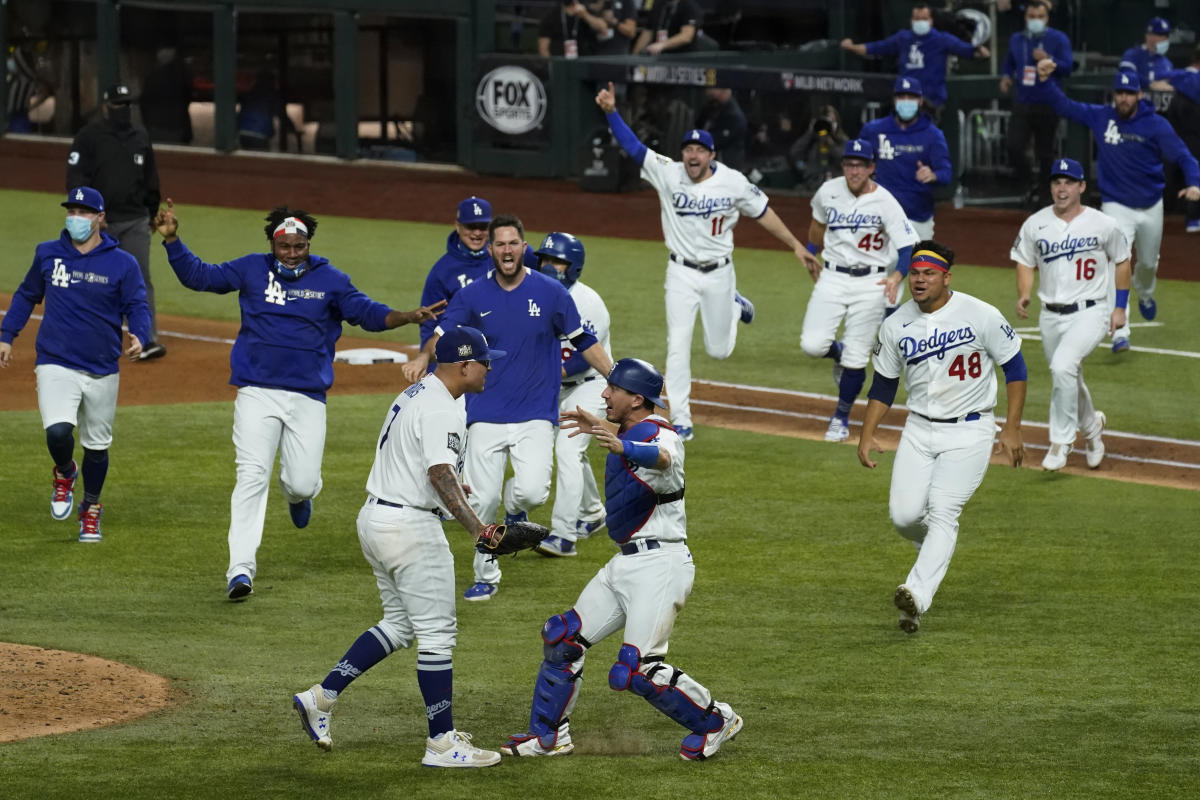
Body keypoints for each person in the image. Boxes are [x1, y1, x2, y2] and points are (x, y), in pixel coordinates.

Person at [152, 201, 444, 600]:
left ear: (309, 244)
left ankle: (298, 496)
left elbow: (367, 313)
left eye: (299, 245)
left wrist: (407, 317)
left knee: (302, 482)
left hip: (307, 396)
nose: (292, 253)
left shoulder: (331, 280)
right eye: (285, 245)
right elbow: (200, 277)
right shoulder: (251, 268)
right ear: (273, 244)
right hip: (256, 392)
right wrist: (172, 240)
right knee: (251, 476)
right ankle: (240, 568)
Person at [499, 358, 743, 761]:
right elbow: (637, 444)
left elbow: (661, 457)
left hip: (660, 565)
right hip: (626, 563)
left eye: (613, 388)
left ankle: (715, 720)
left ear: (636, 399)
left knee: (635, 669)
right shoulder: (631, 428)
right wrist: (608, 430)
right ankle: (548, 737)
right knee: (562, 639)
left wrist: (621, 443)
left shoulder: (663, 435)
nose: (604, 393)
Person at [291, 326, 505, 768]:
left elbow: (425, 464)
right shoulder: (441, 406)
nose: (489, 367)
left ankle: (322, 696)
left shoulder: (420, 392)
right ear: (464, 366)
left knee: (402, 625)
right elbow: (439, 475)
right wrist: (478, 530)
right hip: (409, 528)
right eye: (485, 361)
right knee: (437, 635)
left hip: (376, 519)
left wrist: (451, 490)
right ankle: (442, 744)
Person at [401, 214, 614, 601]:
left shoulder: (551, 293)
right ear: (491, 250)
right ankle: (486, 573)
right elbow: (443, 333)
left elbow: (584, 341)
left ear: (523, 246)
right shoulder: (472, 296)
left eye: (513, 243)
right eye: (499, 244)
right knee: (481, 499)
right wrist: (421, 358)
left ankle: (516, 512)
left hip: (536, 411)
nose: (506, 250)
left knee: (532, 492)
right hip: (485, 410)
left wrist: (615, 378)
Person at [595, 81, 817, 441]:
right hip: (680, 272)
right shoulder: (668, 172)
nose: (693, 155)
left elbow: (763, 212)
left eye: (700, 150)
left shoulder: (732, 182)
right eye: (688, 149)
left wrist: (795, 244)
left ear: (711, 155)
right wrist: (612, 113)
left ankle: (733, 305)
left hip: (719, 274)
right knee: (677, 344)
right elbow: (634, 148)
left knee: (719, 350)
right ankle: (682, 419)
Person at [858, 240, 1027, 634]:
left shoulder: (979, 314)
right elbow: (883, 385)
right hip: (918, 428)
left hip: (971, 430)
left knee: (944, 511)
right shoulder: (896, 323)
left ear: (945, 278)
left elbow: (1015, 368)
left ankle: (915, 596)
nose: (919, 280)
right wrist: (866, 435)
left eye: (928, 274)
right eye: (915, 273)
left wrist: (1013, 427)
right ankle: (930, 550)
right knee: (904, 517)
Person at [0, 188, 150, 543]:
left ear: (100, 218)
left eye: (84, 212)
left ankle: (91, 508)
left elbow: (137, 304)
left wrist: (141, 335)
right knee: (57, 431)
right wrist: (7, 335)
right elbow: (26, 294)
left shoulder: (122, 263)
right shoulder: (48, 254)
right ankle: (65, 472)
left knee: (97, 446)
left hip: (102, 366)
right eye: (72, 210)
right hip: (56, 360)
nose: (76, 217)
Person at [1035, 60, 1200, 352]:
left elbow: (1186, 157)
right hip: (1115, 206)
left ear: (1139, 95)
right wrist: (1047, 81)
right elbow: (1064, 105)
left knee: (1148, 264)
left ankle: (1146, 293)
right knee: (1115, 262)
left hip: (1150, 206)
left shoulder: (1155, 125)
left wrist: (1195, 183)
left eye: (1129, 92)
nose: (1123, 97)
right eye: (1119, 92)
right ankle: (1120, 328)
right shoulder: (1102, 117)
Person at [1012, 158, 1131, 471]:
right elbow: (1024, 261)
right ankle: (1092, 430)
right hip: (1050, 315)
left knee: (1063, 366)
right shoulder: (1035, 224)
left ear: (1082, 187)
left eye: (1068, 182)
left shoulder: (1103, 224)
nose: (1061, 188)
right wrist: (1024, 293)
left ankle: (1060, 441)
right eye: (1056, 182)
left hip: (1091, 312)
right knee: (1069, 376)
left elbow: (1122, 260)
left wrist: (1120, 307)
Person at [800, 138, 920, 443]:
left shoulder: (886, 202)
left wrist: (896, 277)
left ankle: (840, 416)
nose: (854, 171)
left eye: (860, 165)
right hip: (832, 277)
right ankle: (836, 352)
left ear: (871, 168)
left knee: (857, 357)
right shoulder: (828, 191)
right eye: (849, 164)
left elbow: (908, 247)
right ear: (843, 166)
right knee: (812, 345)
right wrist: (811, 251)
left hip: (872, 283)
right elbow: (817, 223)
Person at [66, 83, 166, 361]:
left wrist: (151, 211)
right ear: (106, 107)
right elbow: (75, 179)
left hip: (135, 219)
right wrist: (90, 214)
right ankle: (84, 340)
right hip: (97, 224)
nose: (124, 110)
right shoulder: (89, 137)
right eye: (119, 105)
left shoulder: (140, 136)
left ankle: (145, 341)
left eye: (127, 105)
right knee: (88, 278)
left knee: (139, 279)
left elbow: (150, 179)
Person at [534, 232, 612, 558]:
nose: (550, 267)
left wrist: (547, 376)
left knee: (567, 449)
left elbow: (583, 356)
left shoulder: (588, 301)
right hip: (554, 386)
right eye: (546, 260)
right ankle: (593, 512)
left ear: (574, 267)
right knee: (554, 448)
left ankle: (564, 536)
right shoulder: (533, 294)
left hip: (591, 383)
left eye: (559, 262)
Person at [416, 196, 537, 351]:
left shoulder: (512, 252)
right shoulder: (442, 271)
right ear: (458, 226)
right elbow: (430, 323)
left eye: (483, 226)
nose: (477, 233)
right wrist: (429, 360)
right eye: (471, 226)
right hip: (467, 353)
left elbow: (547, 274)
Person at [841, 2, 989, 112]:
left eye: (924, 18)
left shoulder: (942, 40)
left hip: (931, 102)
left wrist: (980, 51)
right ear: (911, 21)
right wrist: (852, 47)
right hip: (905, 100)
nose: (920, 22)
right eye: (917, 19)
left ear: (931, 21)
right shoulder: (903, 38)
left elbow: (968, 50)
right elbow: (876, 48)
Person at [859, 77, 952, 244]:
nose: (906, 102)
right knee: (876, 268)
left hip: (917, 216)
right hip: (880, 216)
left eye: (911, 97)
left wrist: (933, 175)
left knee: (920, 268)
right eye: (902, 97)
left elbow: (946, 173)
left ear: (920, 100)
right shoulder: (874, 130)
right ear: (895, 100)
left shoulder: (933, 135)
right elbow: (858, 163)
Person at [999, 0, 1073, 206]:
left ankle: (1044, 195)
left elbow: (1068, 67)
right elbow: (1009, 62)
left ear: (1047, 18)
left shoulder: (1058, 39)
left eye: (1040, 17)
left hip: (1048, 102)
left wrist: (1049, 58)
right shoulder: (1017, 39)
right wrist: (1006, 76)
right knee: (1013, 146)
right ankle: (1028, 181)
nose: (1036, 21)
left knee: (1045, 152)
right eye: (1032, 17)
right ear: (1025, 17)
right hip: (1023, 101)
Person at [1154, 47, 1200, 233]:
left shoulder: (1180, 76)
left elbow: (1157, 80)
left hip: (1177, 132)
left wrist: (1172, 86)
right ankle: (1193, 217)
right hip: (1190, 129)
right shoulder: (1188, 76)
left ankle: (1171, 215)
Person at [139, 46, 193, 145]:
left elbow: (144, 102)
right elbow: (188, 96)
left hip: (156, 126)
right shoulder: (180, 75)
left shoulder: (152, 77)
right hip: (176, 126)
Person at [789, 105, 849, 192]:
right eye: (825, 122)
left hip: (836, 188)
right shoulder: (812, 140)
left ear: (837, 123)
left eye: (831, 122)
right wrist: (811, 132)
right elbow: (794, 153)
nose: (828, 126)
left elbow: (844, 160)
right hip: (813, 187)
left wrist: (831, 143)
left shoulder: (843, 140)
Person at [695, 88, 747, 172]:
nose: (707, 91)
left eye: (712, 88)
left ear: (723, 90)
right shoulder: (712, 107)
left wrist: (698, 142)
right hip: (709, 162)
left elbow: (718, 139)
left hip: (726, 164)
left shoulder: (733, 115)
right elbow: (699, 124)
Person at [538, 2, 613, 58]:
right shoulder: (551, 16)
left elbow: (603, 29)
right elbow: (543, 48)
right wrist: (552, 66)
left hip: (586, 65)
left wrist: (585, 15)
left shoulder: (587, 11)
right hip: (560, 64)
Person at [632, 0, 706, 56]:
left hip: (682, 59)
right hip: (659, 60)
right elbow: (647, 33)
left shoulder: (689, 5)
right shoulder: (659, 4)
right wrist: (634, 56)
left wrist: (662, 45)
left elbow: (686, 36)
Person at [1119, 17, 1174, 86]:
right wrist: (1151, 84)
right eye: (1161, 35)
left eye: (1166, 36)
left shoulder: (1167, 63)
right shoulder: (1132, 55)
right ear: (1149, 36)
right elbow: (1126, 75)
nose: (1165, 39)